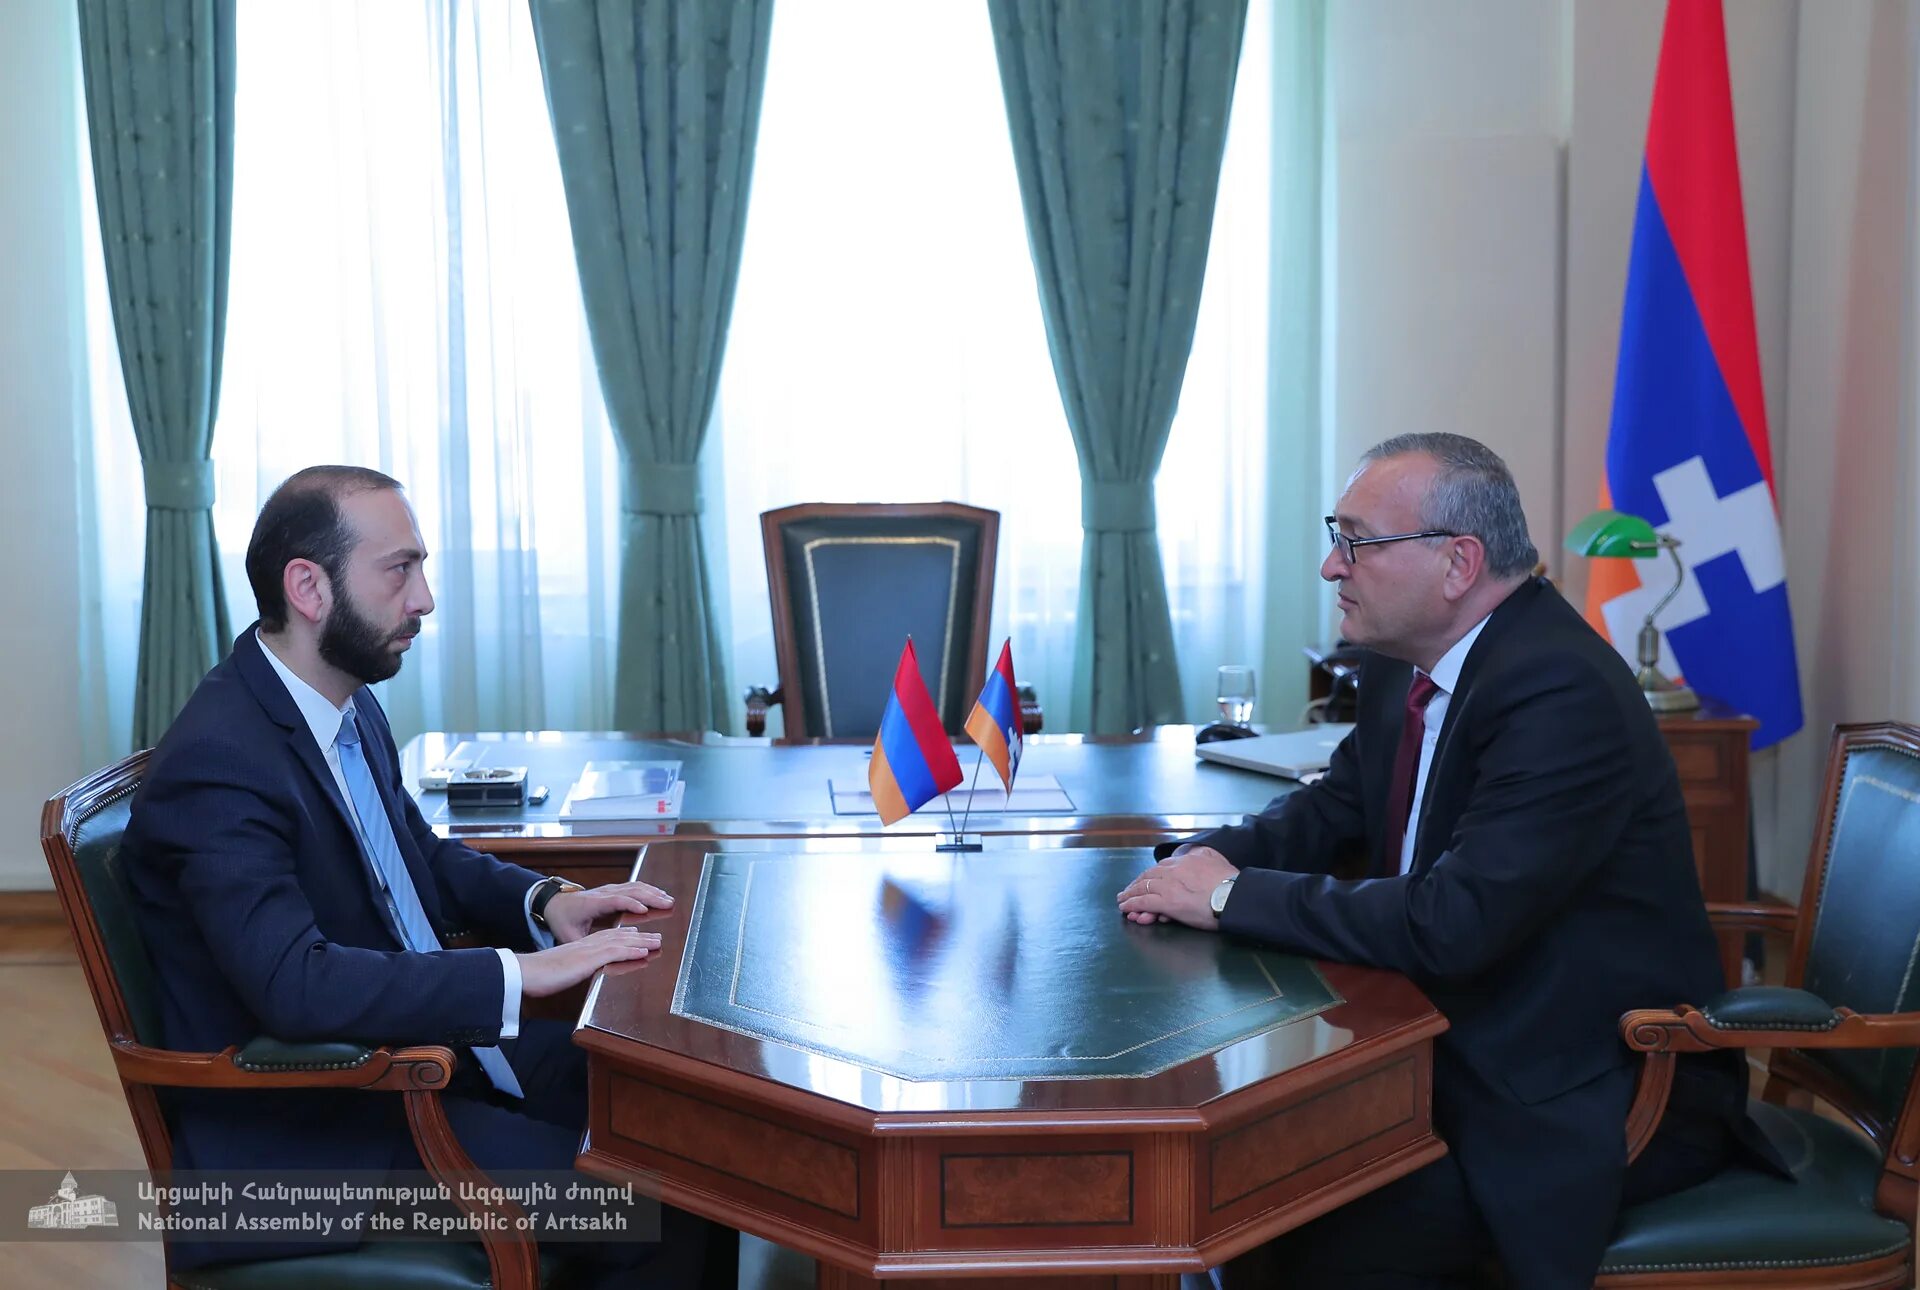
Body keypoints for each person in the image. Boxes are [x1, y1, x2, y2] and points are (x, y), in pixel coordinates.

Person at [1117, 434, 1783, 1289]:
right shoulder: (1411, 662)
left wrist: (1232, 895)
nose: (1331, 566)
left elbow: (1451, 924)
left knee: (1291, 1208)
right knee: (1237, 1177)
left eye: (1356, 541)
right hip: (1446, 1031)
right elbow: (1334, 808)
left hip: (1576, 1078)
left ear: (1458, 563)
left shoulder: (1560, 692)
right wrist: (1193, 864)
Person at [121, 465, 727, 1286]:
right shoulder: (221, 761)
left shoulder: (343, 702)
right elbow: (295, 986)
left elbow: (419, 859)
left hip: (422, 1064)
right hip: (316, 1134)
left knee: (685, 1119)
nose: (425, 599)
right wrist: (523, 972)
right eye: (399, 570)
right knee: (658, 1199)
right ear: (309, 586)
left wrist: (550, 902)